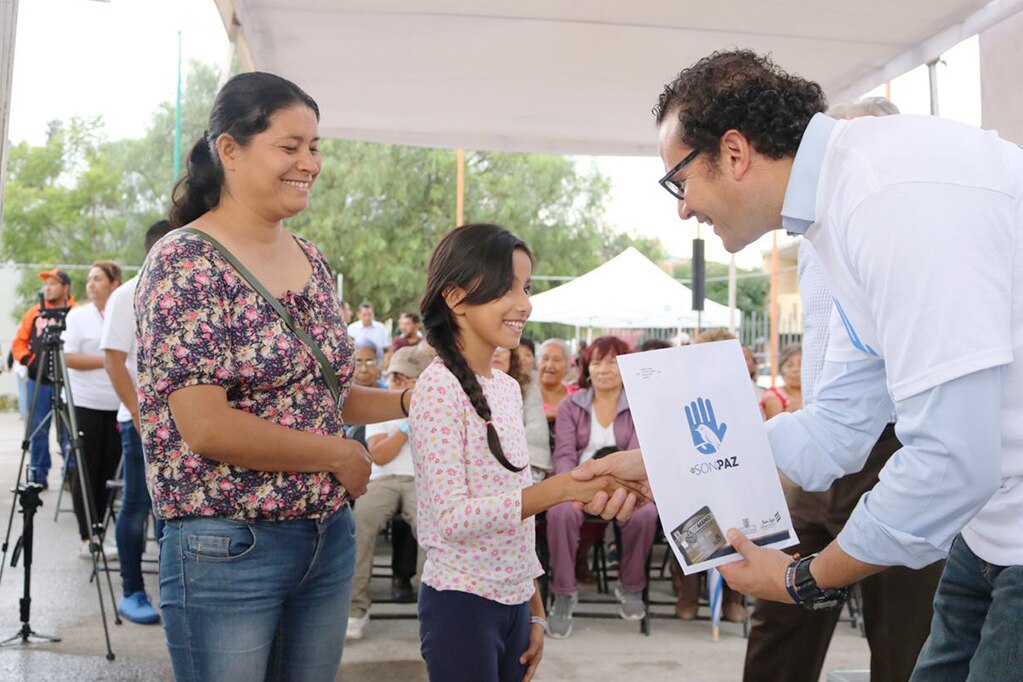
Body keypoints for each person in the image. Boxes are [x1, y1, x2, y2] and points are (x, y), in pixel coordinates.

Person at [579, 49, 1023, 680]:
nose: (681, 208)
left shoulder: (889, 197)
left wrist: (805, 578)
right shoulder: (837, 212)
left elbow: (953, 459)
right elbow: (836, 429)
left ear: (733, 153)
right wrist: (670, 464)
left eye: (679, 180)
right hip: (990, 534)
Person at [136, 72, 412, 681]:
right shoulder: (185, 261)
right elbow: (206, 427)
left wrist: (411, 400)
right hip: (230, 546)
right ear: (230, 150)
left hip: (325, 538)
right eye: (290, 147)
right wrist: (336, 456)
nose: (309, 163)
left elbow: (327, 396)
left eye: (315, 147)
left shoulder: (311, 258)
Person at [742, 97, 943, 682]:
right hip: (822, 439)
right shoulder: (811, 237)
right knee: (780, 615)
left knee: (902, 634)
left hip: (894, 450)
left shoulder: (906, 232)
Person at [410, 223, 634, 682]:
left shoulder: (509, 389)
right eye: (506, 289)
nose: (525, 304)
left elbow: (515, 513)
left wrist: (533, 608)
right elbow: (453, 517)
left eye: (527, 288)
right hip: (462, 603)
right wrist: (561, 488)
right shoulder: (436, 390)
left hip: (514, 599)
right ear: (454, 297)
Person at [546, 335, 659, 638]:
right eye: (597, 362)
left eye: (612, 362)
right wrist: (570, 488)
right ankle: (563, 593)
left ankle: (631, 585)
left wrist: (619, 487)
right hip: (580, 480)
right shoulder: (572, 404)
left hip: (626, 482)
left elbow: (638, 454)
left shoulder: (638, 405)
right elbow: (565, 454)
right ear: (587, 367)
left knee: (646, 514)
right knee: (559, 513)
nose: (604, 369)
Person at [101, 220, 173, 624]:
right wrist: (142, 417)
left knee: (171, 513)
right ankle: (132, 591)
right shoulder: (127, 293)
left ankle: (174, 592)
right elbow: (114, 360)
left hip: (182, 425)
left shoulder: (183, 290)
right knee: (136, 506)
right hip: (139, 424)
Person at [347, 345, 432, 641]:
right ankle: (356, 609)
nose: (401, 383)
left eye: (410, 379)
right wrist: (407, 428)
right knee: (360, 524)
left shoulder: (437, 404)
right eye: (397, 377)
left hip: (422, 481)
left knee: (433, 529)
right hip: (381, 480)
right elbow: (380, 454)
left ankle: (433, 612)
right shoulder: (380, 402)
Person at [63, 260, 123, 558]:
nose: (91, 284)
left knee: (107, 470)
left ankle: (99, 529)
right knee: (85, 470)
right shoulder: (77, 316)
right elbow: (69, 358)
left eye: (98, 278)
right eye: (89, 279)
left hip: (116, 404)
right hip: (84, 403)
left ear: (114, 283)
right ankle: (87, 536)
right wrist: (110, 360)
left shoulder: (124, 312)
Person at [11, 268, 75, 487]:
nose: (47, 288)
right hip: (38, 381)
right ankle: (38, 476)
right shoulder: (35, 312)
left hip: (68, 382)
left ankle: (71, 474)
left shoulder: (76, 312)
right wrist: (28, 360)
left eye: (53, 283)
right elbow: (18, 342)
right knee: (37, 429)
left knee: (70, 431)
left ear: (65, 288)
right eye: (45, 284)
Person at [493, 346, 552, 481]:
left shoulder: (527, 387)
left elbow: (537, 434)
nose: (496, 353)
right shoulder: (464, 385)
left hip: (527, 464)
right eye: (491, 348)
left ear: (511, 356)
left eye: (502, 348)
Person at [537, 339, 576, 419]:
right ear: (538, 363)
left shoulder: (576, 397)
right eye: (545, 358)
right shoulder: (524, 394)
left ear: (567, 366)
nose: (549, 365)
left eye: (556, 360)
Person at [761, 344, 803, 418]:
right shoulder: (774, 396)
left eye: (801, 364)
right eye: (789, 365)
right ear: (781, 370)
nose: (796, 369)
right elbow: (776, 427)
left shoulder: (817, 394)